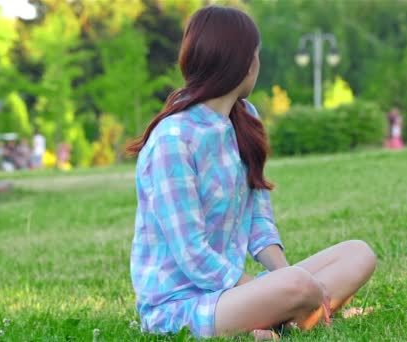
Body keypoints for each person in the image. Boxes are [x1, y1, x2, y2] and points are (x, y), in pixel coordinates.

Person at [125, 6, 376, 340]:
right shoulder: (173, 139)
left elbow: (259, 223)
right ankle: (299, 313)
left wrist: (284, 284)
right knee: (298, 286)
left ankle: (295, 313)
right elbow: (192, 255)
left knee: (358, 253)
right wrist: (283, 289)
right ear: (242, 62)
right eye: (256, 55)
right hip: (182, 306)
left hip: (237, 292)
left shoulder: (245, 119)